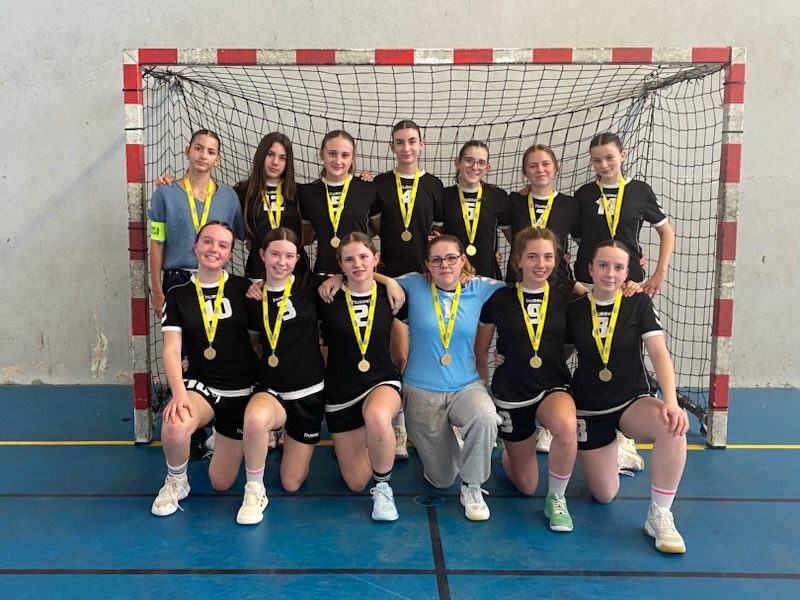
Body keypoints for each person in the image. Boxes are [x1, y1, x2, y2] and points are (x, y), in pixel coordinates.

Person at [565, 240, 688, 553]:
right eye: (603, 265)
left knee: (672, 426)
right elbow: (556, 355)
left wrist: (671, 402)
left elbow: (659, 352)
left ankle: (660, 514)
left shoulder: (638, 303)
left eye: (618, 267)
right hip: (590, 410)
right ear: (590, 269)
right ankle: (616, 452)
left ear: (627, 273)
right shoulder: (574, 310)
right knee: (604, 495)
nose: (610, 273)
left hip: (632, 401)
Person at [151, 221, 258, 520]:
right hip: (202, 386)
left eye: (222, 245)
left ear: (230, 253)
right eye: (207, 241)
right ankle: (176, 481)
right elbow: (171, 350)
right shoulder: (178, 294)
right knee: (174, 422)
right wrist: (179, 394)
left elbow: (258, 340)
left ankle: (222, 436)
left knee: (221, 483)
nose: (214, 249)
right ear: (195, 246)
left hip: (240, 391)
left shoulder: (244, 288)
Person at [395, 235, 505, 521]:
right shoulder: (413, 284)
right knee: (442, 479)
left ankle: (472, 486)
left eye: (451, 258)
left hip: (465, 386)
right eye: (437, 260)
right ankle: (449, 448)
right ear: (427, 265)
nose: (445, 265)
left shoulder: (480, 287)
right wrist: (337, 279)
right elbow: (368, 277)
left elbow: (526, 288)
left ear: (462, 260)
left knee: (485, 417)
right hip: (421, 391)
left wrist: (509, 352)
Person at [478, 227, 578, 531]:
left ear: (557, 259)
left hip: (552, 385)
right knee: (526, 485)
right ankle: (508, 451)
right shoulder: (499, 298)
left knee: (566, 426)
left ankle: (557, 498)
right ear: (518, 260)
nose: (540, 264)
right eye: (532, 256)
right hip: (511, 390)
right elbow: (480, 350)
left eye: (547, 257)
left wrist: (630, 286)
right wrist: (482, 393)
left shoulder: (567, 295)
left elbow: (606, 297)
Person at [239, 227, 331, 524]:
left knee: (291, 483)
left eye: (289, 256)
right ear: (262, 255)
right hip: (272, 391)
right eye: (275, 254)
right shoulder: (251, 297)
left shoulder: (310, 285)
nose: (282, 261)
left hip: (308, 393)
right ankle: (254, 489)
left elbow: (355, 274)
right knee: (255, 418)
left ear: (297, 259)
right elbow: (252, 342)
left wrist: (387, 283)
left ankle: (286, 435)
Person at [317, 232, 404, 521]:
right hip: (341, 391)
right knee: (356, 483)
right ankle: (374, 441)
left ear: (376, 259)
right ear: (340, 265)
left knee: (377, 416)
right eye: (349, 259)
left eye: (364, 257)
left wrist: (388, 280)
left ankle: (383, 488)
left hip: (382, 381)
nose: (358, 264)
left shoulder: (392, 293)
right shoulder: (326, 296)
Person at [372, 120, 445, 460]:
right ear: (392, 146)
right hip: (392, 280)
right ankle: (399, 426)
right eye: (399, 142)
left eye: (412, 141)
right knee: (399, 356)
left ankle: (440, 420)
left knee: (434, 351)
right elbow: (374, 227)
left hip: (427, 279)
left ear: (421, 144)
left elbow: (439, 232)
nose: (406, 148)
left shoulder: (433, 185)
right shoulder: (379, 184)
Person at [148, 129, 245, 319]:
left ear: (217, 159)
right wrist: (157, 291)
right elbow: (157, 243)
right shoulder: (165, 194)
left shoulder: (228, 197)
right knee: (178, 337)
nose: (203, 155)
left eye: (210, 152)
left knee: (213, 336)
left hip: (215, 279)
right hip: (177, 280)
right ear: (187, 151)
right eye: (198, 148)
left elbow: (243, 237)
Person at [572, 132, 675, 295]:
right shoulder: (583, 194)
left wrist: (660, 273)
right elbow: (579, 237)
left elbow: (666, 231)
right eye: (597, 160)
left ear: (622, 155)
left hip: (629, 281)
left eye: (609, 158)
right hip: (588, 279)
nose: (604, 165)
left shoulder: (640, 191)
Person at [299, 130, 379, 274]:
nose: (338, 161)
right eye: (332, 154)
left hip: (360, 272)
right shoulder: (307, 192)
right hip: (324, 272)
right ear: (322, 154)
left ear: (352, 157)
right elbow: (307, 237)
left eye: (345, 155)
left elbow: (376, 230)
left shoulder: (368, 188)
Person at [234, 132, 309, 279]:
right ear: (261, 155)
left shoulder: (299, 193)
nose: (275, 162)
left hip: (295, 273)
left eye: (282, 158)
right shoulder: (242, 193)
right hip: (257, 272)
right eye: (270, 154)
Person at [505, 144, 580, 285]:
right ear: (525, 172)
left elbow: (582, 240)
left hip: (557, 282)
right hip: (518, 280)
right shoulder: (514, 201)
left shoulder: (570, 205)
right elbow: (507, 234)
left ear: (555, 168)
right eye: (533, 166)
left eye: (545, 164)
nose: (540, 170)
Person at [438, 141, 511, 280]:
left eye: (481, 163)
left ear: (487, 168)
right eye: (469, 160)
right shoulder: (444, 196)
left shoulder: (498, 197)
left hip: (488, 278)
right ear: (458, 163)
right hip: (452, 278)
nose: (475, 167)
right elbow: (437, 238)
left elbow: (514, 238)